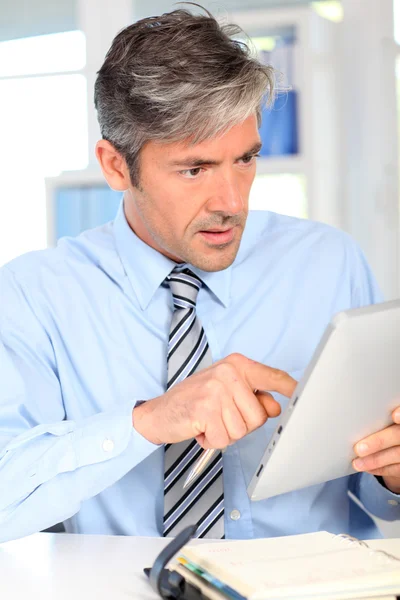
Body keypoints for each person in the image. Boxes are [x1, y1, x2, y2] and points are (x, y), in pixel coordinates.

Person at [0, 6, 399, 543]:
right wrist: (149, 421)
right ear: (117, 166)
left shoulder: (330, 262)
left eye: (246, 159)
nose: (233, 202)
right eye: (195, 169)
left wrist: (390, 471)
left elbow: (378, 496)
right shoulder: (33, 295)